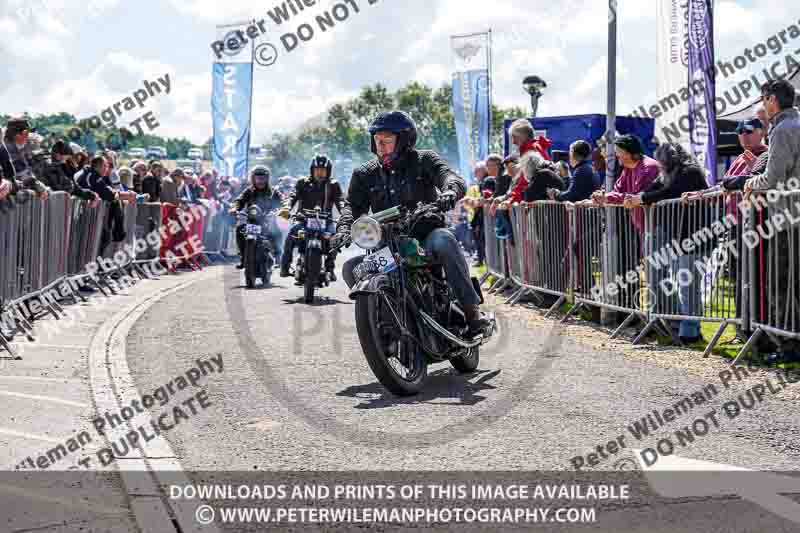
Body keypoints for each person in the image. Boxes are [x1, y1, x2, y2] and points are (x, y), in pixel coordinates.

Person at [336, 110, 491, 334]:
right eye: (377, 141)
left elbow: (450, 176)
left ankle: (472, 312)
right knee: (352, 268)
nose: (381, 146)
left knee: (445, 240)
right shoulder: (364, 174)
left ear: (404, 141)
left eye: (387, 141)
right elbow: (352, 206)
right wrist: (343, 229)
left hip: (424, 239)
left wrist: (449, 191)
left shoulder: (424, 160)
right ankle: (385, 322)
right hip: (389, 249)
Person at [624, 143, 708, 343]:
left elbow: (670, 193)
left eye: (662, 162)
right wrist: (638, 196)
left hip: (696, 235)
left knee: (688, 284)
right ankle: (682, 324)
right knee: (681, 282)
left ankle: (691, 331)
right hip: (680, 236)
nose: (660, 166)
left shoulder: (690, 172)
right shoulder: (671, 173)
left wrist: (641, 198)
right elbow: (655, 187)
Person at [278, 154, 344, 279]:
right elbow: (293, 196)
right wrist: (286, 208)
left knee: (335, 238)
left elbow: (340, 201)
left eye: (323, 170)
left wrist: (345, 213)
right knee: (290, 236)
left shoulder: (333, 185)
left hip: (326, 220)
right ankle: (285, 266)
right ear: (312, 170)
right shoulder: (302, 182)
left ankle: (330, 267)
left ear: (328, 171)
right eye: (317, 170)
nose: (320, 173)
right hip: (303, 220)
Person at [744, 80, 800, 192]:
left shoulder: (782, 130)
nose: (763, 104)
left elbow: (773, 179)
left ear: (772, 99)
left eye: (763, 98)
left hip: (791, 206)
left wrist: (750, 182)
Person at [229, 166, 283, 270]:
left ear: (267, 179)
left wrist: (280, 210)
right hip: (251, 220)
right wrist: (234, 208)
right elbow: (239, 200)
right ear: (253, 179)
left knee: (276, 230)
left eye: (262, 178)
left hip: (267, 220)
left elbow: (282, 201)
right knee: (240, 229)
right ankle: (243, 257)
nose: (260, 181)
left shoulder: (273, 192)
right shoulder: (249, 191)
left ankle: (278, 257)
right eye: (258, 178)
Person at [1, 117, 49, 199]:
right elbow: (22, 174)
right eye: (27, 134)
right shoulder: (9, 149)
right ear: (19, 134)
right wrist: (38, 186)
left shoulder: (16, 148)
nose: (27, 137)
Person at [39, 140, 99, 206]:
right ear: (58, 155)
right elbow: (68, 186)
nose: (79, 159)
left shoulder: (59, 166)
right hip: (46, 204)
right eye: (67, 157)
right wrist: (90, 195)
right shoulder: (51, 165)